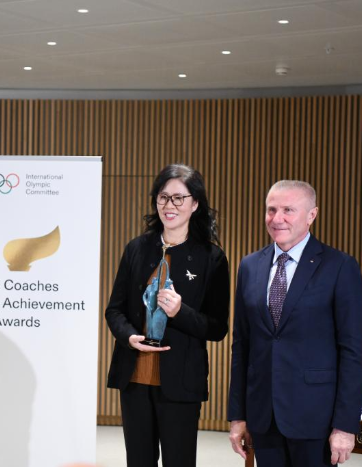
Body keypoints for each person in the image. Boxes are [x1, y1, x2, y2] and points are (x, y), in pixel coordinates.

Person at [227, 180, 362, 466]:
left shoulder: (340, 266)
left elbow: (353, 352)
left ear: (312, 215)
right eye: (271, 210)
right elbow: (241, 346)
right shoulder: (250, 266)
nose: (276, 218)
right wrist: (238, 416)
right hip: (264, 417)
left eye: (288, 210)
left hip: (316, 419)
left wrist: (345, 425)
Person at [105, 164, 230, 467]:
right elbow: (114, 310)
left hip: (181, 382)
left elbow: (217, 328)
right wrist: (129, 337)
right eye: (163, 197)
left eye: (178, 198)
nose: (169, 205)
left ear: (195, 203)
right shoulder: (136, 248)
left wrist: (180, 312)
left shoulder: (211, 257)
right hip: (134, 378)